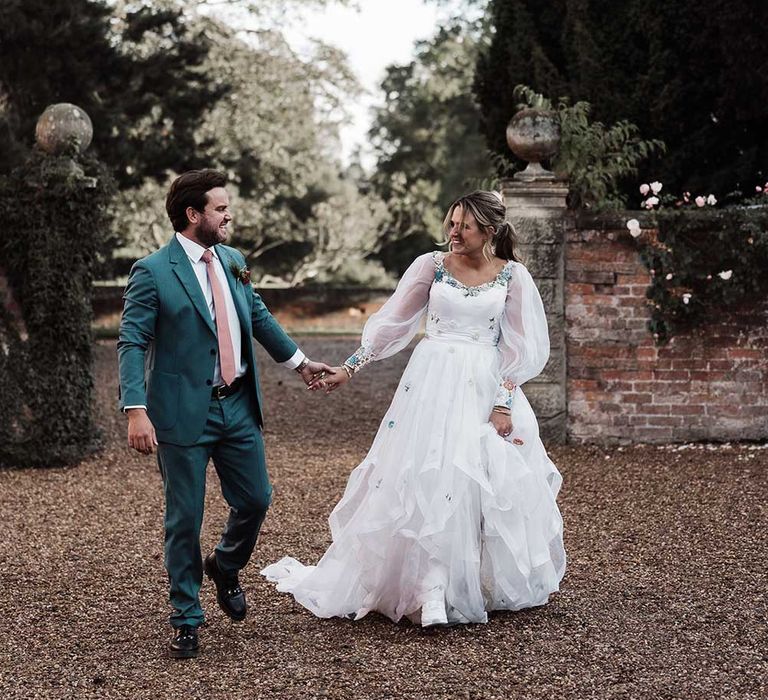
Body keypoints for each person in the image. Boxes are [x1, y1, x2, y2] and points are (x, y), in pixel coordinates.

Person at [262, 190, 566, 627]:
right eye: (452, 222)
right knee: (427, 473)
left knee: (475, 483)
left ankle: (465, 581)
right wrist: (350, 368)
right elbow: (391, 325)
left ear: (489, 231)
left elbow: (521, 348)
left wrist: (503, 403)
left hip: (484, 383)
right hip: (431, 383)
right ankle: (431, 586)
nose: (454, 232)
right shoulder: (432, 266)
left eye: (464, 225)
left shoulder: (513, 277)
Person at [117, 169, 331, 658]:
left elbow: (255, 315)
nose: (228, 214)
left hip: (236, 405)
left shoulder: (233, 260)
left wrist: (298, 363)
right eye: (220, 207)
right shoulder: (152, 270)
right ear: (194, 215)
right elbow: (132, 341)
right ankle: (187, 616)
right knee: (184, 519)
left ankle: (226, 566)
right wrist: (135, 409)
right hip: (179, 414)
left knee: (256, 498)